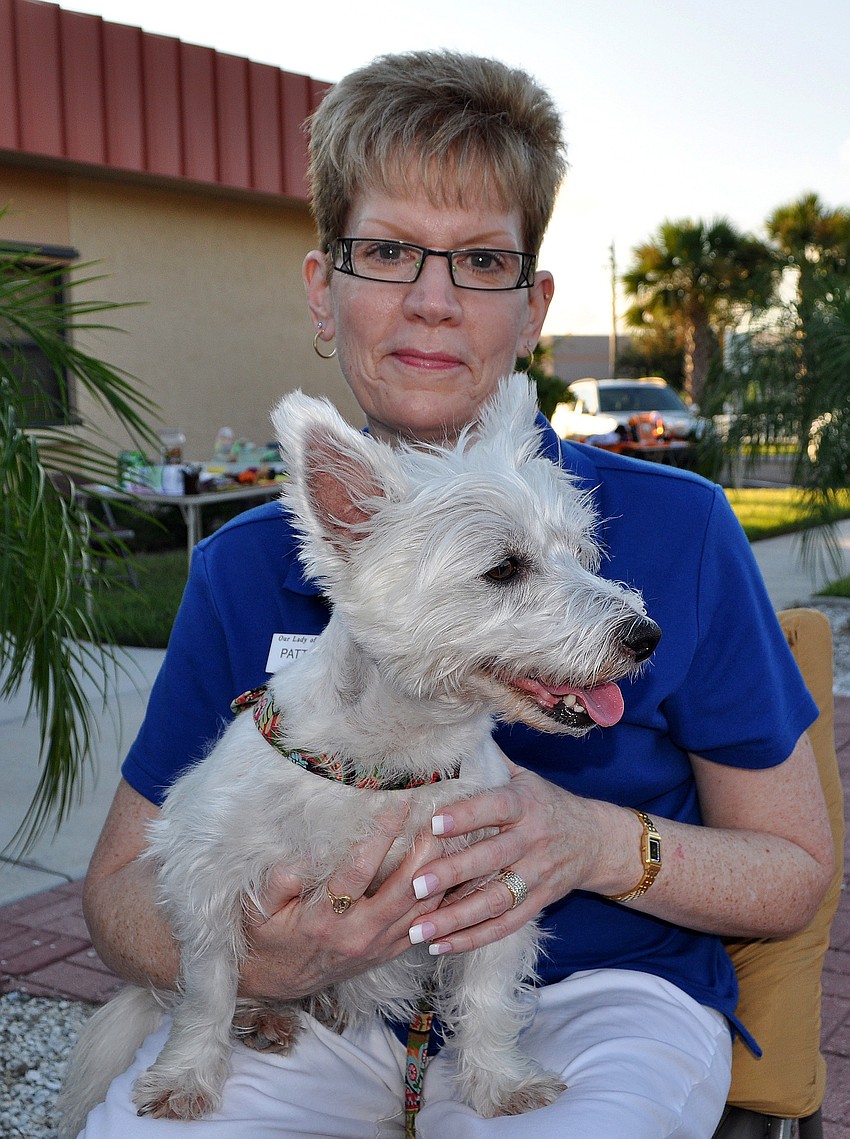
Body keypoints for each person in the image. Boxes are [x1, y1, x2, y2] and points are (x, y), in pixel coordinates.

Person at [77, 51, 833, 1139]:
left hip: (596, 995)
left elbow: (796, 873)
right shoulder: (246, 563)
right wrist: (269, 959)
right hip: (316, 1004)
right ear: (322, 291)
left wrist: (591, 841)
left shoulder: (684, 528)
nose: (432, 303)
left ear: (532, 309)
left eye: (481, 260)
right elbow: (117, 895)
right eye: (387, 251)